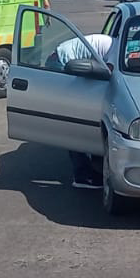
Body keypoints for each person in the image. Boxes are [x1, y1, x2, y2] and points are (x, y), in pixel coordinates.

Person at [55, 32, 114, 190]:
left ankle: (93, 168)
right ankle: (82, 176)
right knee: (75, 122)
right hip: (60, 61)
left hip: (63, 56)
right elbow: (110, 75)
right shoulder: (116, 51)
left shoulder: (120, 45)